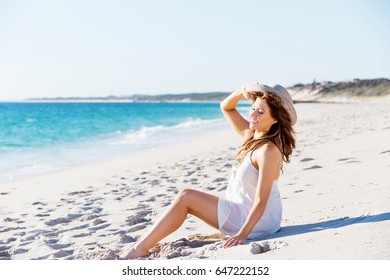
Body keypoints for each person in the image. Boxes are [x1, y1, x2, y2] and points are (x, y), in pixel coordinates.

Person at [118, 83, 297, 259]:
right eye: (252, 108)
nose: (253, 115)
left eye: (261, 112)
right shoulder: (251, 135)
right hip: (241, 212)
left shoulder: (268, 151)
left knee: (186, 196)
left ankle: (140, 248)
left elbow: (261, 201)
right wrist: (242, 91)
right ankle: (140, 245)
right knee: (186, 196)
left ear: (275, 119)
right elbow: (226, 107)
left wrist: (242, 235)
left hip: (256, 223)